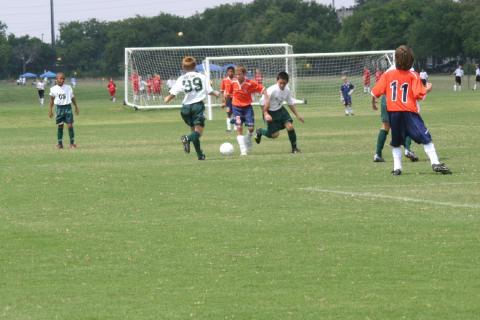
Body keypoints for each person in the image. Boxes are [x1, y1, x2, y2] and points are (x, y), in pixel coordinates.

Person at [371, 45, 451, 175]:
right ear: (411, 61)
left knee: (396, 141)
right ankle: (435, 162)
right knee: (425, 137)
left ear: (396, 59)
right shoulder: (413, 75)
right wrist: (428, 89)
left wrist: (373, 102)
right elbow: (419, 94)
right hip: (409, 113)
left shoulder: (388, 74)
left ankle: (397, 168)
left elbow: (376, 91)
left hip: (393, 113)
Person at [164, 56, 220, 160]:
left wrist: (168, 98)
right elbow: (209, 91)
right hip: (197, 106)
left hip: (185, 108)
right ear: (195, 65)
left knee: (194, 131)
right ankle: (187, 138)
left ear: (183, 67)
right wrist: (217, 93)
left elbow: (173, 92)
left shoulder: (181, 78)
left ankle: (200, 155)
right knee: (198, 133)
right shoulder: (202, 76)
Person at [255, 71, 304, 153]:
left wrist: (297, 115)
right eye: (280, 83)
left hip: (280, 110)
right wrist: (266, 114)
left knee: (290, 127)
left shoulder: (287, 90)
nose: (282, 85)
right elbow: (262, 103)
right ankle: (260, 131)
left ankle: (294, 148)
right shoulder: (271, 90)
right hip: (269, 112)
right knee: (274, 135)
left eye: (284, 83)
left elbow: (290, 103)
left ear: (287, 82)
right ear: (277, 81)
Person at [224, 64, 267, 156]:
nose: (237, 76)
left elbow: (263, 89)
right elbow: (228, 94)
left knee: (251, 128)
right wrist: (226, 101)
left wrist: (267, 98)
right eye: (236, 74)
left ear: (244, 74)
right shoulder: (233, 83)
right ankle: (243, 151)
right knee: (239, 127)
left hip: (247, 108)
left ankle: (247, 138)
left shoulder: (250, 83)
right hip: (236, 109)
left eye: (239, 74)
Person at [372, 95, 418, 162]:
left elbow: (375, 91)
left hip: (386, 100)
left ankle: (377, 155)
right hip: (399, 99)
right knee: (407, 125)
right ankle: (407, 150)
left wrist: (373, 102)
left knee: (385, 126)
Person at [48, 72, 80, 149]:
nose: (62, 80)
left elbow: (72, 97)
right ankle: (60, 144)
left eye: (63, 78)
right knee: (60, 126)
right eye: (60, 78)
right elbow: (51, 101)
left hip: (67, 108)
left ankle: (72, 144)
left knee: (70, 125)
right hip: (59, 109)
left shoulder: (68, 87)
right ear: (56, 79)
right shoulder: (53, 89)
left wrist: (76, 106)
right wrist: (50, 110)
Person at [220, 66, 235, 132]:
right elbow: (222, 91)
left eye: (232, 71)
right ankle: (229, 128)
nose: (230, 73)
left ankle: (235, 127)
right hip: (228, 99)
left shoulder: (236, 80)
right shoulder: (224, 80)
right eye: (229, 71)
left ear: (234, 72)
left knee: (235, 113)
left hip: (235, 99)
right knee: (228, 112)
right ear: (227, 72)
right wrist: (223, 101)